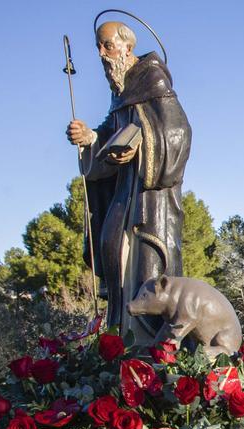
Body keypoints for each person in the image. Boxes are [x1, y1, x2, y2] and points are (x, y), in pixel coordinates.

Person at [66, 21, 192, 343]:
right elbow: (110, 135)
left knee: (148, 278)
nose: (101, 53)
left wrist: (140, 146)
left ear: (127, 47)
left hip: (151, 204)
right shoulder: (120, 93)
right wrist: (91, 138)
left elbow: (178, 133)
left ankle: (151, 351)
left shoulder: (153, 80)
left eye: (107, 45)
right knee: (115, 260)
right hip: (124, 198)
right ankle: (119, 344)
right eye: (99, 46)